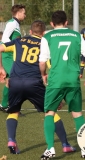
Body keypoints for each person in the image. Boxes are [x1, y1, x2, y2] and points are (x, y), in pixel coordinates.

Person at [0, 20, 75, 154]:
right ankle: (65, 144)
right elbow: (53, 70)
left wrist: (1, 68)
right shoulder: (46, 44)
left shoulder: (18, 41)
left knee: (13, 112)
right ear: (44, 33)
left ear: (30, 32)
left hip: (15, 82)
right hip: (34, 83)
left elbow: (1, 48)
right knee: (50, 112)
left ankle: (11, 140)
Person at [39, 11, 85, 159]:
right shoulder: (76, 35)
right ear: (66, 22)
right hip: (72, 80)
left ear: (51, 23)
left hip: (55, 81)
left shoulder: (47, 37)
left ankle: (50, 149)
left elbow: (42, 62)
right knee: (77, 113)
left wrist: (43, 74)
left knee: (50, 113)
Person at [0, 4, 26, 112]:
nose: (25, 15)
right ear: (18, 13)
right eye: (24, 13)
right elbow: (5, 39)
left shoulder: (16, 24)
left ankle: (4, 104)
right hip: (7, 55)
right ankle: (11, 105)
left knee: (12, 79)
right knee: (16, 78)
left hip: (12, 55)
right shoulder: (12, 23)